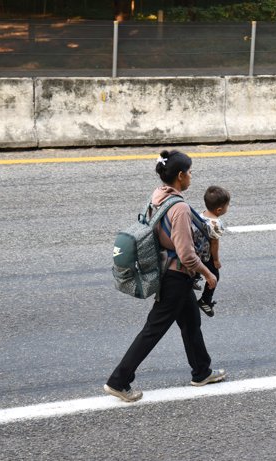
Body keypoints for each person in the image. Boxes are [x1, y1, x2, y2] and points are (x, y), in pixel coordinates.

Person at [104, 150, 226, 403]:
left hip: (168, 271)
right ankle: (118, 380)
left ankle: (201, 371)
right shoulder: (179, 207)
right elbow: (186, 253)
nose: (192, 176)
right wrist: (208, 274)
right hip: (175, 276)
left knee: (191, 322)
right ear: (180, 176)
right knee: (153, 330)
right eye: (190, 172)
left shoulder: (159, 196)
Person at [197, 186, 231, 317]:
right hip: (205, 256)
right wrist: (216, 260)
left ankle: (195, 278)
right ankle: (205, 300)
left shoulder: (201, 215)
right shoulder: (216, 224)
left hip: (195, 252)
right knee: (214, 275)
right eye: (227, 205)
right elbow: (214, 244)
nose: (228, 208)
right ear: (219, 209)